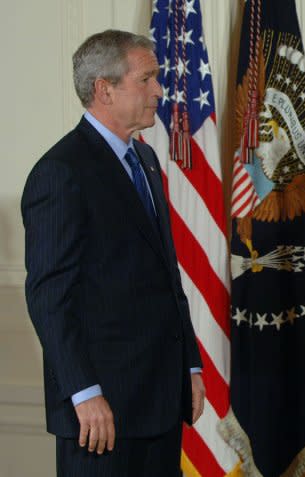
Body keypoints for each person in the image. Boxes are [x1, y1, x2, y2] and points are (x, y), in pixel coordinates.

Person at [21, 30, 204, 477]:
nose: (159, 90)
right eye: (147, 79)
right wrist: (83, 393)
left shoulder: (144, 161)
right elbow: (50, 298)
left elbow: (166, 276)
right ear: (104, 88)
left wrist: (191, 365)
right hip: (99, 414)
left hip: (159, 401)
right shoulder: (60, 172)